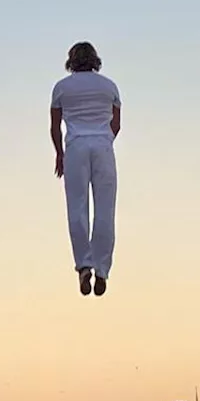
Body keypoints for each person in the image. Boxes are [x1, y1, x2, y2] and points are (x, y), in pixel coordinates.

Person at [50, 41, 122, 297]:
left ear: (71, 60)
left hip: (76, 147)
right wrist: (102, 140)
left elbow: (55, 126)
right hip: (103, 146)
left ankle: (84, 265)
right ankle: (102, 268)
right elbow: (116, 124)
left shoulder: (61, 88)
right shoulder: (109, 86)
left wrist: (60, 153)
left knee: (77, 208)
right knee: (105, 209)